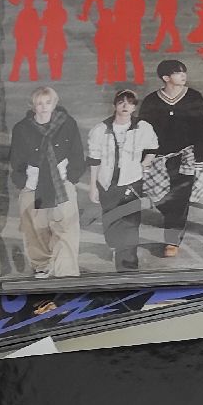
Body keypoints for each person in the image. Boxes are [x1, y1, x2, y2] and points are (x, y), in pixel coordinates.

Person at [8, 87, 87, 278]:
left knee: (66, 229)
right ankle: (41, 266)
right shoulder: (22, 128)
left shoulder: (67, 123)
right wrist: (23, 182)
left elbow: (77, 152)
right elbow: (16, 159)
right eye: (39, 103)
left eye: (48, 102)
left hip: (61, 184)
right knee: (35, 231)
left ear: (54, 103)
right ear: (33, 106)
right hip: (34, 185)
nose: (44, 107)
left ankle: (65, 272)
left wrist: (72, 178)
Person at [138, 59, 203, 258]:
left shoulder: (194, 97)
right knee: (160, 198)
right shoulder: (152, 101)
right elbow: (143, 132)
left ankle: (172, 241)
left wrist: (200, 159)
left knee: (180, 199)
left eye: (184, 72)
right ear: (166, 78)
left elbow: (202, 129)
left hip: (186, 157)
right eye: (178, 73)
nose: (183, 75)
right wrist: (144, 159)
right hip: (158, 159)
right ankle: (171, 217)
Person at [87, 90, 158, 272]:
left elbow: (153, 148)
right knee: (111, 220)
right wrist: (93, 186)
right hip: (107, 184)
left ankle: (128, 268)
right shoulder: (100, 130)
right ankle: (114, 245)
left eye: (130, 103)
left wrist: (144, 163)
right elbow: (94, 160)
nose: (125, 106)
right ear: (115, 106)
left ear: (134, 107)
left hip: (132, 183)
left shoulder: (143, 127)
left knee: (130, 225)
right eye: (121, 102)